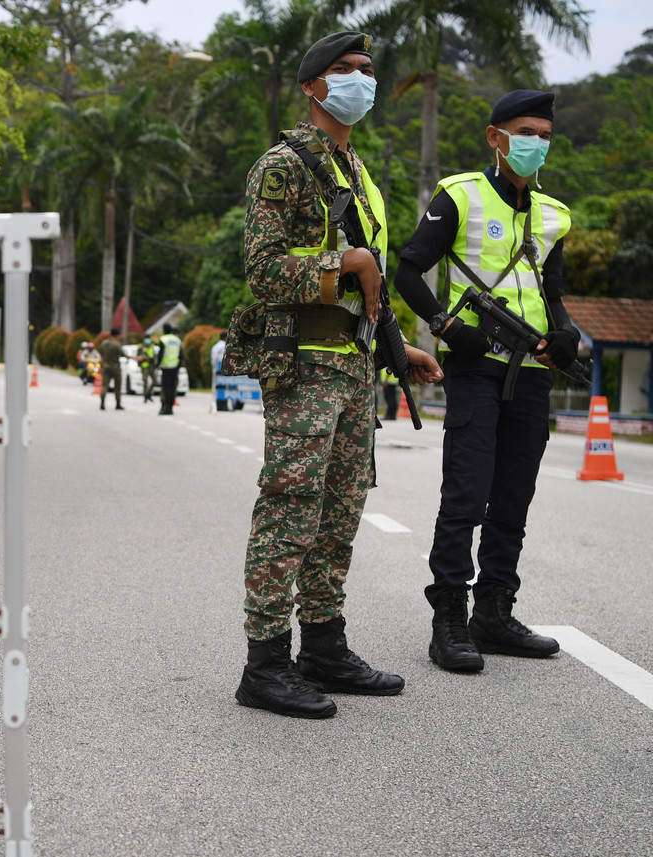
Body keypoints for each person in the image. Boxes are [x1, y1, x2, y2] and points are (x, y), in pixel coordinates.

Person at [234, 31, 444, 719]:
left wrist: (398, 348)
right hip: (302, 364)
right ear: (312, 87)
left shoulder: (362, 176)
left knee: (339, 512)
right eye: (346, 70)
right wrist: (341, 264)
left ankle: (323, 646)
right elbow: (263, 272)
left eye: (368, 70)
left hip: (354, 369)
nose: (362, 79)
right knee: (290, 506)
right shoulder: (283, 166)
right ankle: (264, 662)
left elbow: (372, 288)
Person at [392, 89, 578, 673]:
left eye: (545, 135)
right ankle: (448, 617)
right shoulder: (460, 195)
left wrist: (566, 330)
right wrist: (446, 326)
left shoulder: (554, 214)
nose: (536, 144)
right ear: (495, 137)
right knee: (467, 493)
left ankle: (494, 613)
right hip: (477, 365)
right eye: (526, 132)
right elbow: (408, 270)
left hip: (532, 375)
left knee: (514, 495)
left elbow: (553, 293)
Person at [156, 323, 182, 415]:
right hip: (175, 367)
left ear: (164, 330)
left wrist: (157, 365)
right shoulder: (177, 340)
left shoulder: (163, 339)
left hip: (166, 367)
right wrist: (178, 365)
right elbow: (181, 355)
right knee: (172, 388)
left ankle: (166, 408)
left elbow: (161, 354)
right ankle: (170, 408)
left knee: (166, 389)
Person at [98, 329, 124, 410]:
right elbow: (122, 353)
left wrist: (101, 366)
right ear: (116, 335)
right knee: (117, 386)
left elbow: (101, 356)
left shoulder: (104, 343)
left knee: (105, 385)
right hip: (115, 367)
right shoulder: (117, 344)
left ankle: (102, 402)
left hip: (106, 366)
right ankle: (118, 404)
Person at [138, 336, 158, 402]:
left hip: (151, 366)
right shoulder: (141, 347)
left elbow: (154, 356)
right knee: (145, 381)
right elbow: (138, 357)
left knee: (154, 381)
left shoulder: (152, 346)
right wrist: (143, 359)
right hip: (144, 366)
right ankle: (146, 396)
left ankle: (148, 394)